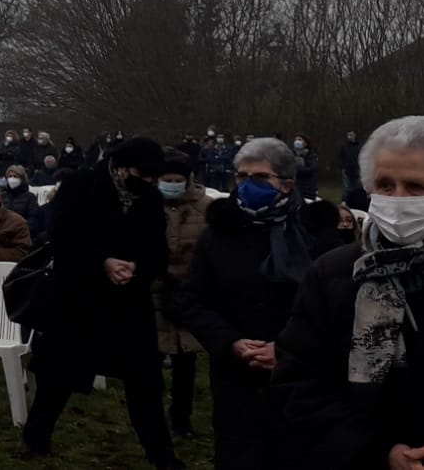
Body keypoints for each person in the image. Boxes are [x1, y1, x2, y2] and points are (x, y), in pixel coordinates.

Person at [276, 115, 424, 470]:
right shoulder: (334, 273)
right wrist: (377, 452)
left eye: (416, 187)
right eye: (385, 185)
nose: (397, 199)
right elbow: (298, 383)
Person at [20, 137, 178, 468]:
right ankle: (36, 438)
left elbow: (158, 250)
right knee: (58, 376)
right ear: (121, 168)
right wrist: (102, 262)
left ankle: (162, 455)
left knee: (145, 382)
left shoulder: (149, 198)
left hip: (129, 302)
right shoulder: (81, 185)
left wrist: (138, 268)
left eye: (152, 178)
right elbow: (63, 238)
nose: (148, 182)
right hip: (79, 299)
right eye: (141, 175)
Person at [168, 137, 315, 470]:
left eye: (260, 177)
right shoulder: (217, 235)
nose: (248, 185)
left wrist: (287, 349)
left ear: (287, 184)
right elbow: (193, 300)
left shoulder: (314, 233)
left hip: (302, 377)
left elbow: (332, 308)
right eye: (242, 177)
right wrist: (231, 342)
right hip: (236, 375)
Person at [153, 149, 208, 440]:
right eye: (167, 179)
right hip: (153, 292)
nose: (172, 185)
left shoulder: (205, 209)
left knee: (186, 363)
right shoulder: (146, 207)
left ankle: (181, 420)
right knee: (150, 360)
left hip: (189, 293)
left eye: (177, 180)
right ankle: (152, 419)